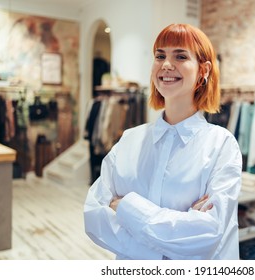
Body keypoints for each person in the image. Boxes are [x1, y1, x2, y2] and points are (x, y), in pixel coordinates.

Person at [84, 23, 242, 260]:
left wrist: (126, 208)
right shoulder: (130, 141)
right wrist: (176, 234)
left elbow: (207, 234)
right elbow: (95, 217)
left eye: (180, 56)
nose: (166, 64)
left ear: (204, 70)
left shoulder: (221, 145)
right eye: (160, 56)